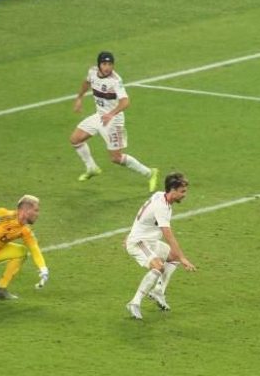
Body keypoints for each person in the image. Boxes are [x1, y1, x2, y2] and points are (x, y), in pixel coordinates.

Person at [70, 51, 159, 191]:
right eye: (104, 64)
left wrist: (111, 114)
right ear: (98, 65)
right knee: (75, 139)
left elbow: (125, 102)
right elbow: (86, 82)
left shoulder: (115, 81)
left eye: (110, 64)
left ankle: (150, 172)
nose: (107, 67)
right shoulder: (92, 72)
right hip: (99, 116)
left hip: (114, 120)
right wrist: (79, 98)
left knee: (116, 158)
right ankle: (91, 168)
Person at [124, 172, 196, 319]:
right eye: (182, 191)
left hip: (150, 241)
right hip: (139, 243)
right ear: (173, 190)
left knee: (172, 258)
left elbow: (143, 215)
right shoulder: (161, 207)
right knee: (158, 267)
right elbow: (169, 235)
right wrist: (183, 258)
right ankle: (134, 302)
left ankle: (158, 292)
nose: (185, 195)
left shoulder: (160, 195)